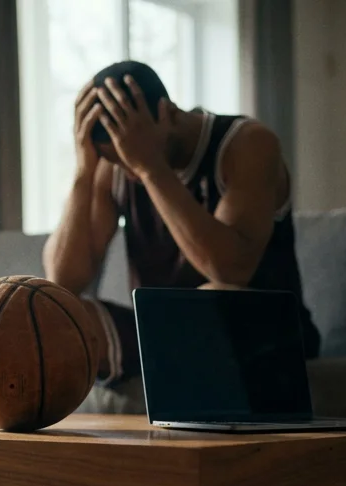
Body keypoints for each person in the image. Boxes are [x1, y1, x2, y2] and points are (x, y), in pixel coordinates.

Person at [42, 60, 320, 399]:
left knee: (215, 296)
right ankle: (169, 365)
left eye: (131, 159)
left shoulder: (248, 145)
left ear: (168, 113)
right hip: (169, 330)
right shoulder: (115, 166)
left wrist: (150, 167)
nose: (128, 172)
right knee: (58, 315)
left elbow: (230, 269)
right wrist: (84, 172)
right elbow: (62, 281)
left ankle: (163, 367)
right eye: (119, 161)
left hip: (262, 328)